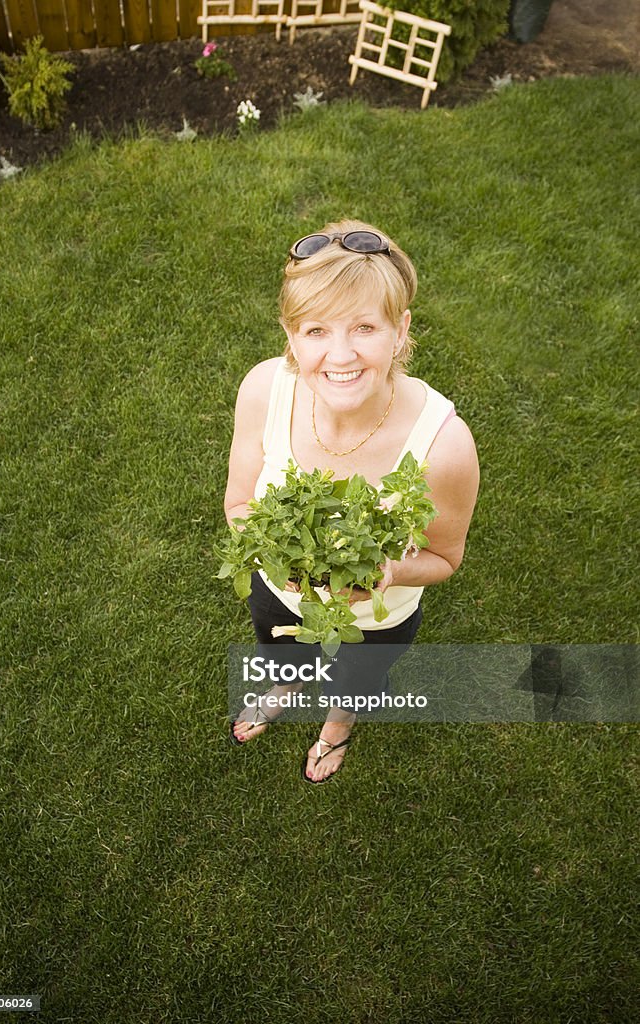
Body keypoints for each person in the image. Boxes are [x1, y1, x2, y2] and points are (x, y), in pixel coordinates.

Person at [224, 219, 480, 783]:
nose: (340, 355)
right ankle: (285, 687)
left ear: (400, 329)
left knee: (357, 680)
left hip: (375, 621)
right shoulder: (265, 390)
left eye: (364, 326)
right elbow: (241, 504)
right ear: (291, 336)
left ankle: (336, 728)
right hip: (278, 595)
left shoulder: (445, 445)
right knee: (281, 649)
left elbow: (445, 558)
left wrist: (388, 570)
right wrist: (276, 563)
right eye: (316, 330)